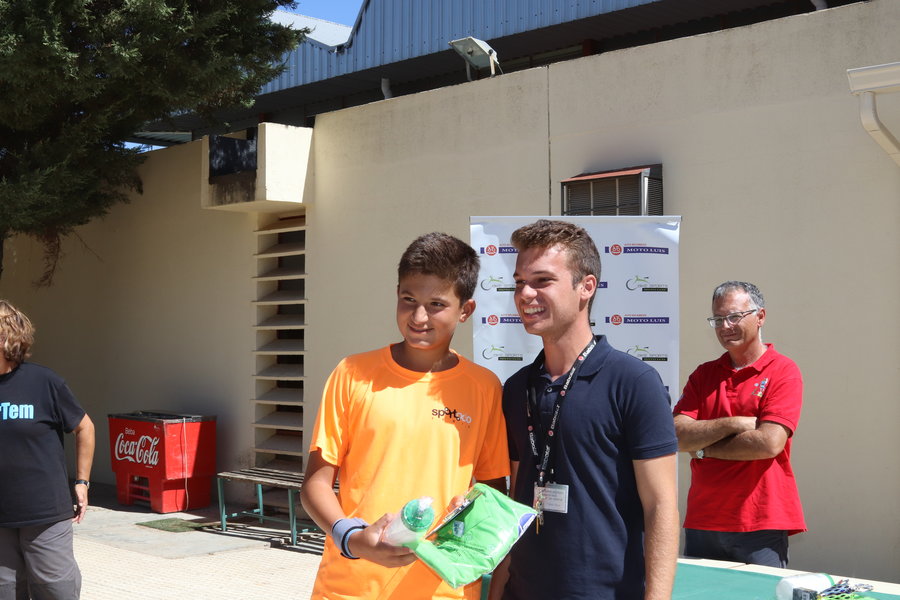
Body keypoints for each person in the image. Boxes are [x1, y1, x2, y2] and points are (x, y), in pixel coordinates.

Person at [300, 232, 509, 600]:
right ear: (397, 293)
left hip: (443, 591)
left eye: (436, 304)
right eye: (408, 300)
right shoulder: (352, 374)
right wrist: (352, 539)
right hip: (350, 588)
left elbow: (492, 495)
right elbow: (314, 485)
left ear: (466, 310)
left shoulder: (484, 387)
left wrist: (468, 515)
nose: (419, 316)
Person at [492, 219, 679, 600]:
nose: (525, 294)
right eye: (519, 282)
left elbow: (661, 507)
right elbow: (515, 503)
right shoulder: (516, 388)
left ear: (586, 287)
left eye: (542, 281)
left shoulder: (634, 382)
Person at [672, 281, 805, 567]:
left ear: (760, 316)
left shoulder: (783, 371)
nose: (725, 326)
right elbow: (677, 436)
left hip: (760, 521)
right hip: (704, 519)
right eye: (718, 319)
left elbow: (768, 443)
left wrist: (704, 449)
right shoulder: (704, 375)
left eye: (734, 316)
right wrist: (734, 423)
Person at [0, 300, 95, 600]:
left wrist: (82, 481)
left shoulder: (44, 382)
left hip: (44, 515)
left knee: (55, 591)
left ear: (6, 336)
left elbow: (85, 428)